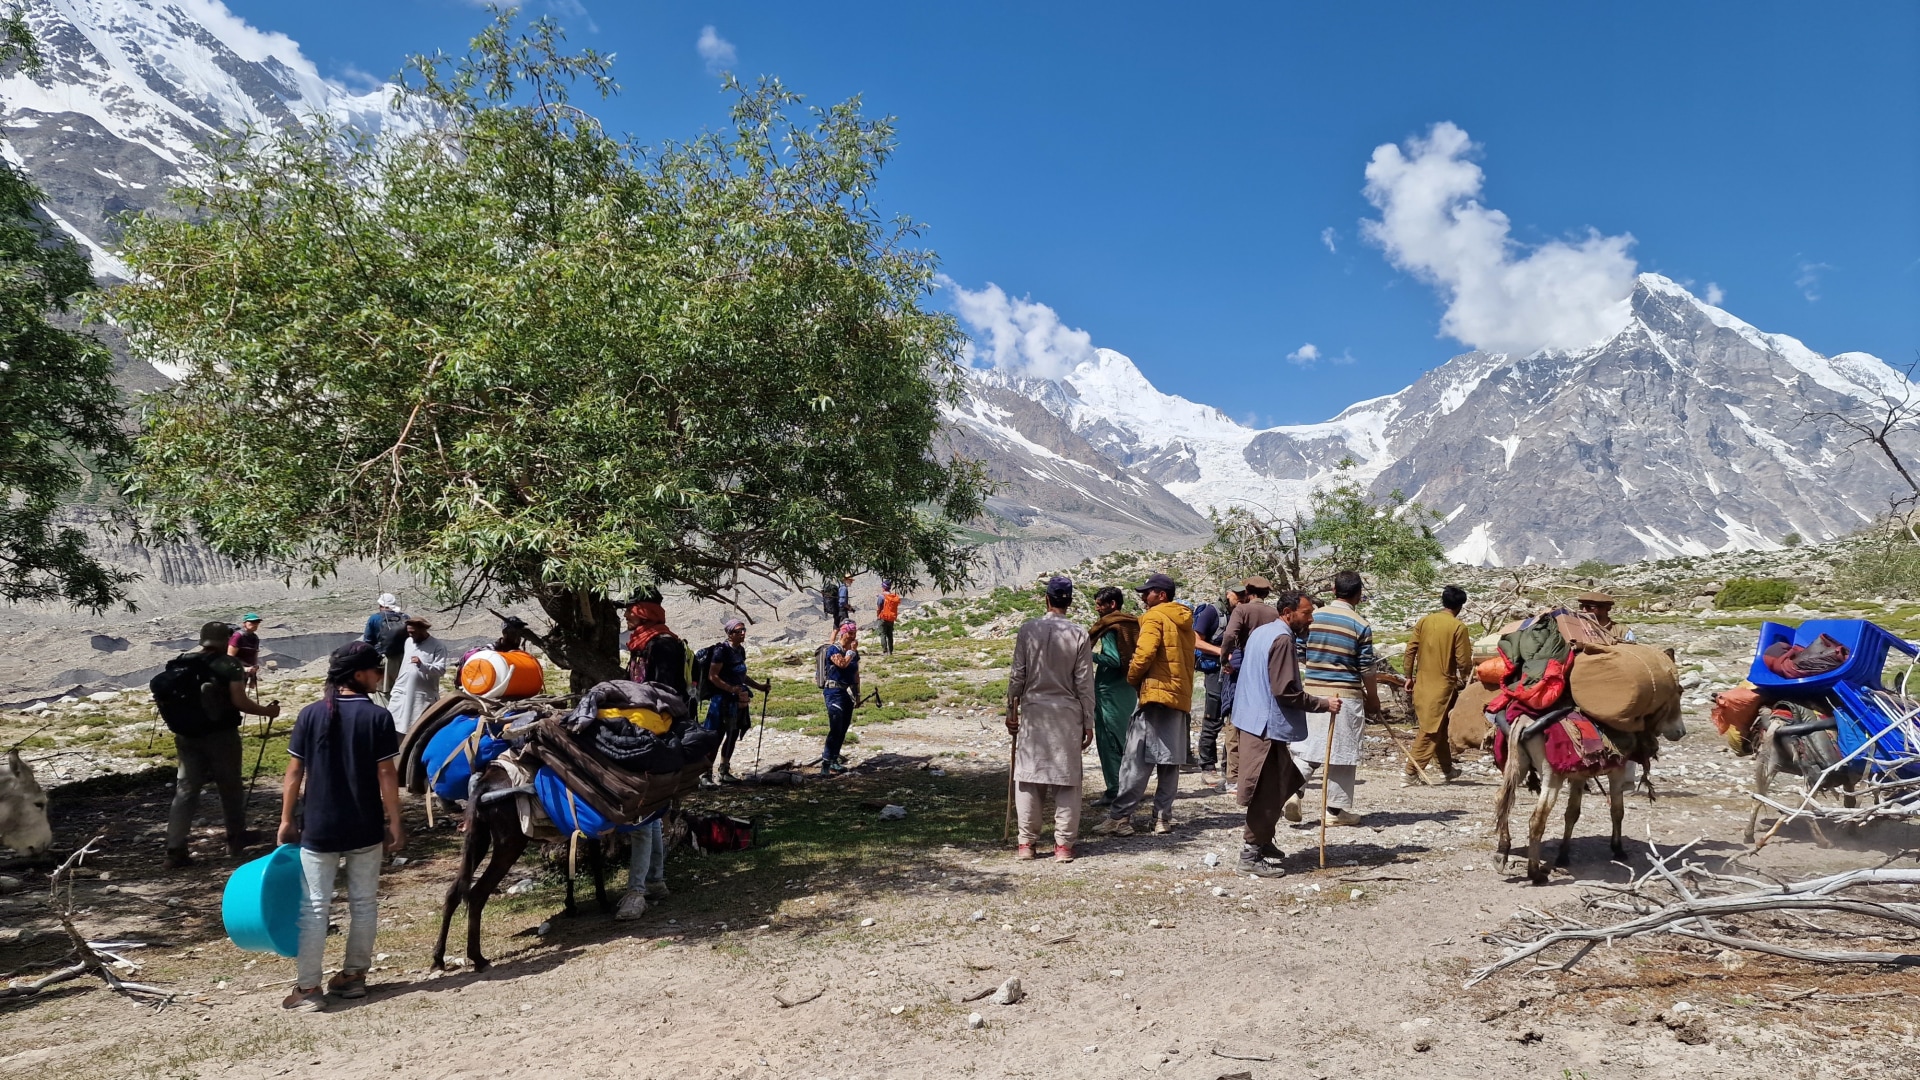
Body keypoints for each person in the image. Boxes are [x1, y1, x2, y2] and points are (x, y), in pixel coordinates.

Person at [278, 642, 405, 1012]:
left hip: (319, 826)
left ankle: (308, 989)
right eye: (376, 670)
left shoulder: (310, 714)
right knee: (363, 904)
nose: (380, 676)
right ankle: (353, 978)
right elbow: (386, 774)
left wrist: (286, 819)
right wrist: (395, 819)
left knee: (316, 907)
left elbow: (294, 773)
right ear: (358, 675)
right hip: (364, 825)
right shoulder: (377, 718)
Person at [1234, 589, 1336, 876]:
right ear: (1288, 613)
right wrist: (1323, 704)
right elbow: (1285, 691)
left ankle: (1263, 841)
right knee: (1266, 791)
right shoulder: (1281, 639)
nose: (1311, 619)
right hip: (1264, 724)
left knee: (1285, 780)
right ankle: (1250, 855)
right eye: (1306, 613)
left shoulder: (1263, 632)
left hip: (1254, 719)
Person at [165, 621, 281, 869]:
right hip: (220, 734)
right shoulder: (228, 664)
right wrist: (267, 712)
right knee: (230, 786)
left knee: (186, 789)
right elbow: (240, 701)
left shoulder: (182, 660)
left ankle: (175, 847)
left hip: (186, 735)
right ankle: (235, 839)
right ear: (225, 640)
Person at [1091, 572, 1195, 837]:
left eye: (1147, 592)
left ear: (1161, 595)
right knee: (1169, 762)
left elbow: (1144, 653)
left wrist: (1133, 678)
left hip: (1155, 696)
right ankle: (1162, 819)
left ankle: (1120, 818)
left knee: (1135, 760)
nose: (1142, 597)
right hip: (1179, 697)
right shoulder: (1185, 621)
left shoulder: (1153, 617)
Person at [1006, 576, 1097, 862]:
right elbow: (1084, 682)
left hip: (1033, 711)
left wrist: (1011, 709)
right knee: (1067, 779)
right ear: (1068, 602)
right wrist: (1089, 720)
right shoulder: (1079, 633)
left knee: (1029, 777)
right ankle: (1064, 846)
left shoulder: (1027, 629)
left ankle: (1026, 844)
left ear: (1047, 599)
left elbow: (1017, 675)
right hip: (1067, 713)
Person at [1289, 571, 1374, 827]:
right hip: (1346, 695)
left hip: (1313, 692)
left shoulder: (1313, 618)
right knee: (1343, 753)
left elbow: (1300, 652)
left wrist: (1317, 666)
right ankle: (1334, 812)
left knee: (1308, 748)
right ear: (1358, 595)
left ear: (1334, 592)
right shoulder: (1360, 624)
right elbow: (1366, 667)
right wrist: (1373, 699)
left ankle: (1294, 792)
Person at [1215, 576, 1279, 794]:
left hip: (1243, 666)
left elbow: (1229, 636)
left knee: (1234, 720)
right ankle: (1260, 773)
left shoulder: (1241, 611)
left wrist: (1225, 660)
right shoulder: (1274, 613)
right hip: (1267, 668)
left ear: (1248, 591)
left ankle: (1233, 777)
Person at [1404, 586, 1472, 783]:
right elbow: (1464, 661)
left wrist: (1408, 676)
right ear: (1460, 606)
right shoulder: (1458, 627)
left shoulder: (1425, 621)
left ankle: (1447, 769)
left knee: (1439, 727)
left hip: (1422, 684)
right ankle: (1410, 772)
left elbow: (1410, 650)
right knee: (1431, 730)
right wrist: (1469, 679)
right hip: (1442, 687)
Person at [1087, 586, 1139, 805]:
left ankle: (1114, 790)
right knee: (1126, 738)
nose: (1097, 608)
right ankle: (1130, 786)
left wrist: (1087, 654)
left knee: (1108, 740)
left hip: (1109, 689)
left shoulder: (1110, 628)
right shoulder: (1132, 623)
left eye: (1100, 604)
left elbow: (1114, 660)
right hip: (1127, 687)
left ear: (1112, 605)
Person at [704, 618, 770, 783]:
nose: (743, 633)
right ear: (730, 634)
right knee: (716, 736)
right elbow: (712, 676)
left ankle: (724, 771)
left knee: (732, 734)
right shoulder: (721, 651)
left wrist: (759, 687)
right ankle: (705, 774)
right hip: (721, 700)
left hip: (738, 700)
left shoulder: (740, 651)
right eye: (738, 631)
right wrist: (730, 689)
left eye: (744, 630)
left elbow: (741, 675)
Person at [388, 617, 451, 734]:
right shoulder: (408, 642)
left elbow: (441, 670)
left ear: (423, 630)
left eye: (413, 632)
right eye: (409, 632)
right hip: (402, 690)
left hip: (421, 695)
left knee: (417, 728)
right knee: (393, 723)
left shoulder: (438, 646)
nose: (410, 635)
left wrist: (422, 665)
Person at [819, 622, 860, 775]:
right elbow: (841, 664)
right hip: (833, 692)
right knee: (835, 726)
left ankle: (835, 759)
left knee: (843, 727)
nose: (853, 637)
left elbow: (856, 673)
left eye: (855, 633)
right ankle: (826, 762)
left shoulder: (854, 652)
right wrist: (851, 653)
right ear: (843, 634)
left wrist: (858, 694)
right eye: (850, 633)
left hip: (847, 692)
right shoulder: (833, 650)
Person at [625, 598, 688, 696]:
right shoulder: (642, 642)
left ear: (645, 614)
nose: (625, 615)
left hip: (661, 707)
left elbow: (664, 687)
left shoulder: (662, 644)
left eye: (630, 611)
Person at [361, 593, 408, 697]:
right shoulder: (405, 617)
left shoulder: (374, 618)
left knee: (383, 691)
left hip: (384, 659)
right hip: (404, 659)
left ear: (381, 605)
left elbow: (368, 641)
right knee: (402, 687)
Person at [228, 613, 263, 687]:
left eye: (257, 622)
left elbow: (254, 656)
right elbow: (229, 658)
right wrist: (244, 669)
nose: (255, 624)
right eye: (252, 622)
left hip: (245, 673)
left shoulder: (255, 638)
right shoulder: (238, 636)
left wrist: (253, 676)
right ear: (244, 623)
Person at [875, 581, 903, 655]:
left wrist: (878, 615)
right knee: (890, 635)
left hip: (883, 617)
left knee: (883, 634)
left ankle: (885, 651)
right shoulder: (892, 597)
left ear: (884, 587)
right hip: (891, 618)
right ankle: (890, 651)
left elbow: (878, 608)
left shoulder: (881, 596)